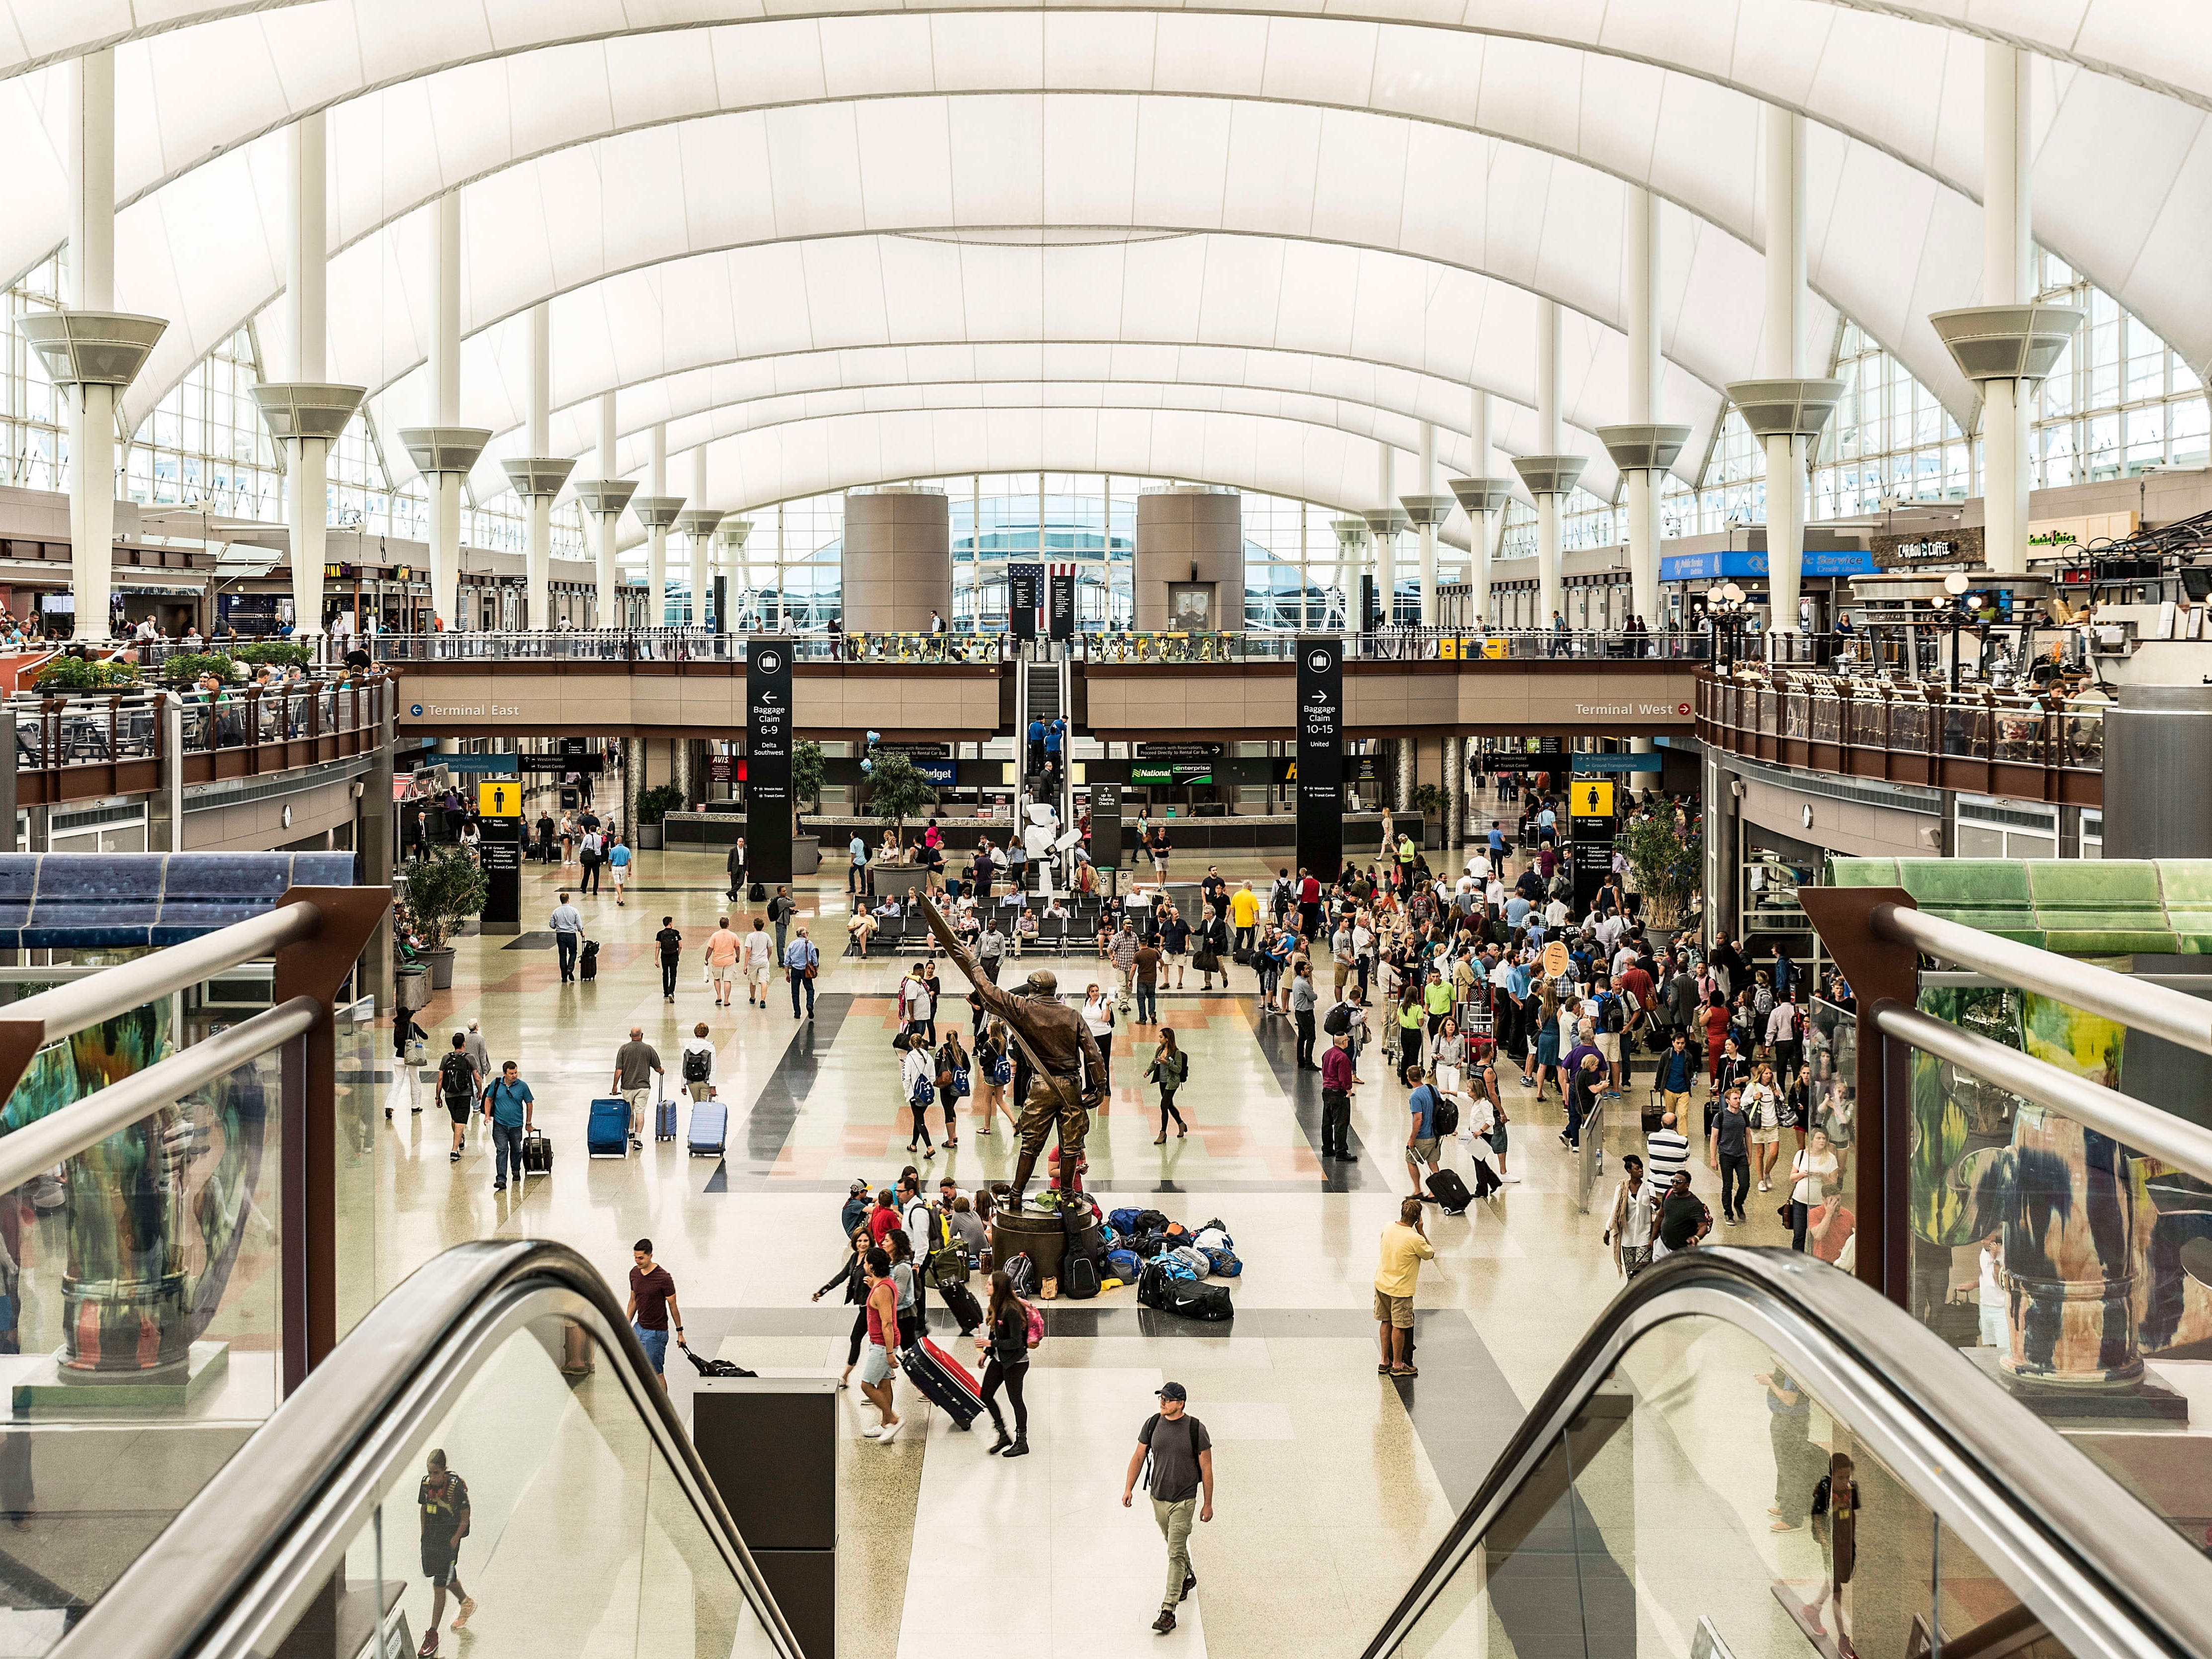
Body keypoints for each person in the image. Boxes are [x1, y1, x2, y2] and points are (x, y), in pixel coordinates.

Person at [919, 899, 1105, 1211]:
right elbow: (1094, 1054)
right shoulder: (1073, 1015)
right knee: (1071, 1146)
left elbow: (989, 992)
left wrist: (973, 963)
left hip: (1043, 1088)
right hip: (1071, 1087)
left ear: (1033, 990)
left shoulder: (1024, 1008)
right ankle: (1070, 1198)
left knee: (1031, 1146)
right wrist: (1099, 1087)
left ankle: (1017, 1195)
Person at [1121, 1382, 1214, 1636]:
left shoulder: (1196, 1429)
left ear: (1181, 1403)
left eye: (1168, 1399)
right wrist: (1129, 1488)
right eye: (1161, 1398)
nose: (1163, 1402)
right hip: (1158, 1498)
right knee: (1173, 1543)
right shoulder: (1153, 1424)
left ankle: (1168, 1611)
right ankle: (1188, 1576)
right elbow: (1139, 1456)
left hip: (1184, 1500)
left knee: (1174, 1553)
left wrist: (1207, 1503)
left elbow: (1206, 1468)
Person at [417, 1449, 475, 1653]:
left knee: (439, 1585)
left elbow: (465, 1518)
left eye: (435, 1473)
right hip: (432, 1540)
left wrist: (454, 1540)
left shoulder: (456, 1489)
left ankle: (432, 1636)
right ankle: (467, 1603)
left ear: (444, 1471)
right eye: (429, 1472)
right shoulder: (426, 1485)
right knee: (447, 1578)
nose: (432, 1477)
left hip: (449, 1542)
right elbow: (424, 1508)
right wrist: (423, 1533)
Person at [1374, 1195, 1436, 1379]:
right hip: (1400, 1290)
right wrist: (1421, 1231)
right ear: (1418, 1218)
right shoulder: (1415, 1239)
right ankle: (1398, 1365)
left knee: (1386, 1322)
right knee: (1400, 1326)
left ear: (1401, 1213)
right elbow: (1430, 1254)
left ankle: (1384, 1361)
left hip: (1382, 1283)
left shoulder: (1388, 1227)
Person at [1809, 1452, 1862, 1658]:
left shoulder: (1851, 1488)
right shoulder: (1825, 1489)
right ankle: (1843, 1638)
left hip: (1845, 1544)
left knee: (1837, 1579)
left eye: (1848, 1476)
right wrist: (1825, 1543)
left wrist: (1851, 1542)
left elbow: (1853, 1514)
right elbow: (1817, 1517)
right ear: (1832, 1475)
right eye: (1841, 1477)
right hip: (1830, 1544)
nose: (1845, 1481)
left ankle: (1813, 1609)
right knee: (1837, 1589)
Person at [975, 1268, 1032, 1457]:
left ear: (998, 1288)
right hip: (1001, 1359)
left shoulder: (1012, 1310)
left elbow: (1017, 1342)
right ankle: (1003, 1434)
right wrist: (987, 1352)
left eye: (990, 1284)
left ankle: (1022, 1442)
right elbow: (995, 1331)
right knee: (986, 1394)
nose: (986, 1286)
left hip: (1016, 1362)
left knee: (1016, 1400)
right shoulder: (997, 1305)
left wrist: (990, 1344)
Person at [814, 1222, 875, 1388]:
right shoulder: (855, 1257)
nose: (863, 1244)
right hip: (864, 1305)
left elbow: (883, 1278)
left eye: (866, 1241)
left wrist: (873, 1284)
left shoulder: (873, 1258)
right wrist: (823, 1291)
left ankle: (845, 1376)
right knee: (877, 1340)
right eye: (860, 1241)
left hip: (873, 1307)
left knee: (856, 1338)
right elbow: (842, 1276)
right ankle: (889, 1370)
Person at [857, 1246, 903, 1441]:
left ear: (873, 1267)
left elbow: (887, 1324)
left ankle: (893, 1419)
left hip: (882, 1344)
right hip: (882, 1343)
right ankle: (886, 1425)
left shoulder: (882, 1290)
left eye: (867, 1262)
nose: (864, 1265)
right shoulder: (883, 1284)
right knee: (884, 1384)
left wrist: (890, 1353)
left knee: (866, 1385)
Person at [625, 1238, 684, 1386]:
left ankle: (662, 1408)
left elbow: (673, 1306)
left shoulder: (663, 1278)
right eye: (635, 1257)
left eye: (641, 1258)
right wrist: (626, 1323)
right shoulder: (634, 1274)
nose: (637, 1261)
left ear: (650, 1255)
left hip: (656, 1333)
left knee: (656, 1373)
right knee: (637, 1369)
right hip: (639, 1328)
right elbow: (633, 1300)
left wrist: (680, 1332)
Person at [480, 1060, 535, 1193]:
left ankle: (516, 1170)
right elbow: (488, 1099)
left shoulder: (522, 1086)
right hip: (500, 1125)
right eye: (511, 1073)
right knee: (502, 1150)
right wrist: (487, 1116)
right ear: (505, 1073)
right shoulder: (497, 1083)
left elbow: (529, 1103)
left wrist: (528, 1123)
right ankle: (501, 1179)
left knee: (517, 1149)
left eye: (516, 1072)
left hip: (516, 1125)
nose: (515, 1075)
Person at [1605, 1153, 1657, 1279]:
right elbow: (1615, 1211)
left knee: (1642, 1273)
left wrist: (1653, 1237)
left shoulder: (1649, 1188)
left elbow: (1655, 1213)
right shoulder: (1621, 1189)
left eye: (1641, 1168)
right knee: (1631, 1274)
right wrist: (1608, 1230)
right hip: (1627, 1237)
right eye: (1637, 1168)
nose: (1641, 1171)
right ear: (1629, 1171)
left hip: (1644, 1236)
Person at [1787, 1129, 1839, 1251]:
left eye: (1824, 1139)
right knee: (1799, 1235)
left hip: (1819, 1204)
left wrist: (1823, 1177)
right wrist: (1802, 1174)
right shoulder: (1801, 1155)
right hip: (1800, 1201)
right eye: (1819, 1138)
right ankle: (1797, 1262)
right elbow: (1792, 1178)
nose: (1822, 1141)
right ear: (1812, 1140)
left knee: (1815, 1237)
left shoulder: (1831, 1159)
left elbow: (1834, 1185)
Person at [612, 1027, 664, 1151]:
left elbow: (619, 1070)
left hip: (627, 1086)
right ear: (642, 1035)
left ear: (630, 1035)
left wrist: (615, 1086)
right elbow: (658, 1068)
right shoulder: (648, 1049)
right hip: (643, 1086)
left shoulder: (623, 1049)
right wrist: (662, 1071)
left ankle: (630, 1133)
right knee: (640, 1112)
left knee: (629, 1111)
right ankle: (638, 1140)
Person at [1707, 1087, 1751, 1225]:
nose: (1739, 1101)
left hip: (1741, 1155)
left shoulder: (1744, 1115)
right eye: (1735, 1099)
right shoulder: (1720, 1117)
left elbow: (1748, 1136)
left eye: (1739, 1098)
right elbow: (1714, 1138)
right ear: (1728, 1101)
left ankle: (1738, 1203)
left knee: (1745, 1184)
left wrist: (1750, 1155)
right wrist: (1713, 1158)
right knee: (1728, 1186)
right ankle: (1728, 1213)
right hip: (1726, 1155)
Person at [436, 1033, 481, 1165]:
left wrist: (438, 1096)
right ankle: (454, 1151)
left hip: (449, 1094)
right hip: (465, 1093)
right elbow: (477, 1077)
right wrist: (480, 1091)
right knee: (461, 1120)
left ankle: (460, 1139)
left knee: (455, 1119)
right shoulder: (469, 1058)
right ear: (464, 1043)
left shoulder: (446, 1058)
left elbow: (440, 1079)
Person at [1405, 1066, 1443, 1200]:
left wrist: (1412, 1139)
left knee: (1410, 1159)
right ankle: (1434, 1193)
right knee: (1433, 1163)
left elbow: (1418, 1119)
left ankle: (1417, 1190)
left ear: (1409, 1079)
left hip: (1424, 1136)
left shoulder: (1415, 1096)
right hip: (1436, 1134)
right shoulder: (1432, 1089)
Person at [1146, 1026, 1190, 1143]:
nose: (1159, 1039)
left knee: (1164, 1105)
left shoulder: (1177, 1053)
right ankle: (1181, 1124)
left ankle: (1163, 1133)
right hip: (1162, 1081)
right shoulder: (1160, 1050)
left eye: (1161, 1037)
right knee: (1169, 1105)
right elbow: (1154, 1062)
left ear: (1167, 1039)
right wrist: (1148, 1071)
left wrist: (1167, 1063)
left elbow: (1178, 1069)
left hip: (1172, 1083)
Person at [1320, 1026, 1356, 1160]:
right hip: (1338, 1094)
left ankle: (1327, 1149)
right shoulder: (1343, 1057)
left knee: (1327, 1123)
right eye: (1347, 1039)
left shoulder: (1327, 1053)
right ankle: (1341, 1152)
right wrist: (1348, 1090)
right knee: (1341, 1123)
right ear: (1344, 1042)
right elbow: (1344, 1077)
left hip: (1327, 1092)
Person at [1645, 1110, 1691, 1193]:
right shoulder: (1683, 1141)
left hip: (1654, 1186)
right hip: (1675, 1188)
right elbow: (1686, 1157)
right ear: (1676, 1125)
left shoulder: (1651, 1138)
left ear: (1662, 1124)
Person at [786, 924, 820, 1019]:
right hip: (806, 970)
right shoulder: (809, 944)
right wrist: (816, 968)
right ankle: (809, 1005)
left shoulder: (792, 944)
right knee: (810, 989)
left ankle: (797, 1013)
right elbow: (815, 959)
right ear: (804, 934)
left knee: (795, 992)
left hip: (795, 971)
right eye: (807, 933)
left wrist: (787, 973)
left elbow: (787, 960)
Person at [680, 1022, 717, 1106]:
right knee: (705, 1107)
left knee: (696, 1104)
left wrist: (683, 1085)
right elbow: (712, 1068)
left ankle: (695, 1117)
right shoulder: (710, 1048)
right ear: (707, 1033)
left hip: (691, 1082)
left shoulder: (688, 1047)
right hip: (705, 1082)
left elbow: (684, 1067)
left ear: (695, 1032)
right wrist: (713, 1087)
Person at [549, 890, 583, 982]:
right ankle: (570, 968)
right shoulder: (574, 910)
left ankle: (564, 977)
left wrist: (558, 926)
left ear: (561, 901)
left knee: (562, 956)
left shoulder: (556, 911)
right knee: (573, 953)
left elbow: (552, 925)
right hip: (571, 935)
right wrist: (581, 932)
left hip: (560, 936)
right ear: (568, 900)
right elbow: (579, 924)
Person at [1133, 931, 1162, 1025]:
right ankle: (1152, 1013)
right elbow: (1162, 962)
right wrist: (1161, 966)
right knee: (1151, 996)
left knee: (1141, 999)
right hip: (1152, 979)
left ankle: (1142, 1019)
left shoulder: (1138, 954)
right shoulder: (1154, 952)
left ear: (1139, 942)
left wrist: (1130, 980)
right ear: (1148, 942)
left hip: (1142, 980)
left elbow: (1133, 969)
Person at [654, 915, 683, 1002]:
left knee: (665, 974)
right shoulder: (676, 933)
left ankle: (666, 993)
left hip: (664, 956)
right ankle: (671, 992)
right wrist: (677, 955)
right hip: (674, 955)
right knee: (673, 975)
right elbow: (680, 946)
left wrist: (656, 959)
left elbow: (657, 947)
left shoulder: (660, 934)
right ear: (670, 923)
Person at [607, 835, 632, 905]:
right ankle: (619, 898)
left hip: (615, 867)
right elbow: (629, 861)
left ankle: (621, 898)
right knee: (621, 883)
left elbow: (610, 861)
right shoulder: (627, 850)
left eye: (615, 840)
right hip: (623, 868)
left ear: (617, 841)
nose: (614, 841)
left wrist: (610, 868)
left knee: (617, 883)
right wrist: (630, 871)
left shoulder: (613, 850)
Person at [726, 836, 749, 903]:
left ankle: (730, 893)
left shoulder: (745, 850)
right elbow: (729, 861)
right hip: (734, 869)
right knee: (734, 883)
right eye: (740, 842)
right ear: (737, 842)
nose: (741, 843)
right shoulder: (733, 850)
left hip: (742, 868)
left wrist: (747, 870)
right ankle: (735, 897)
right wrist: (729, 870)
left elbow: (747, 860)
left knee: (741, 882)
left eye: (742, 842)